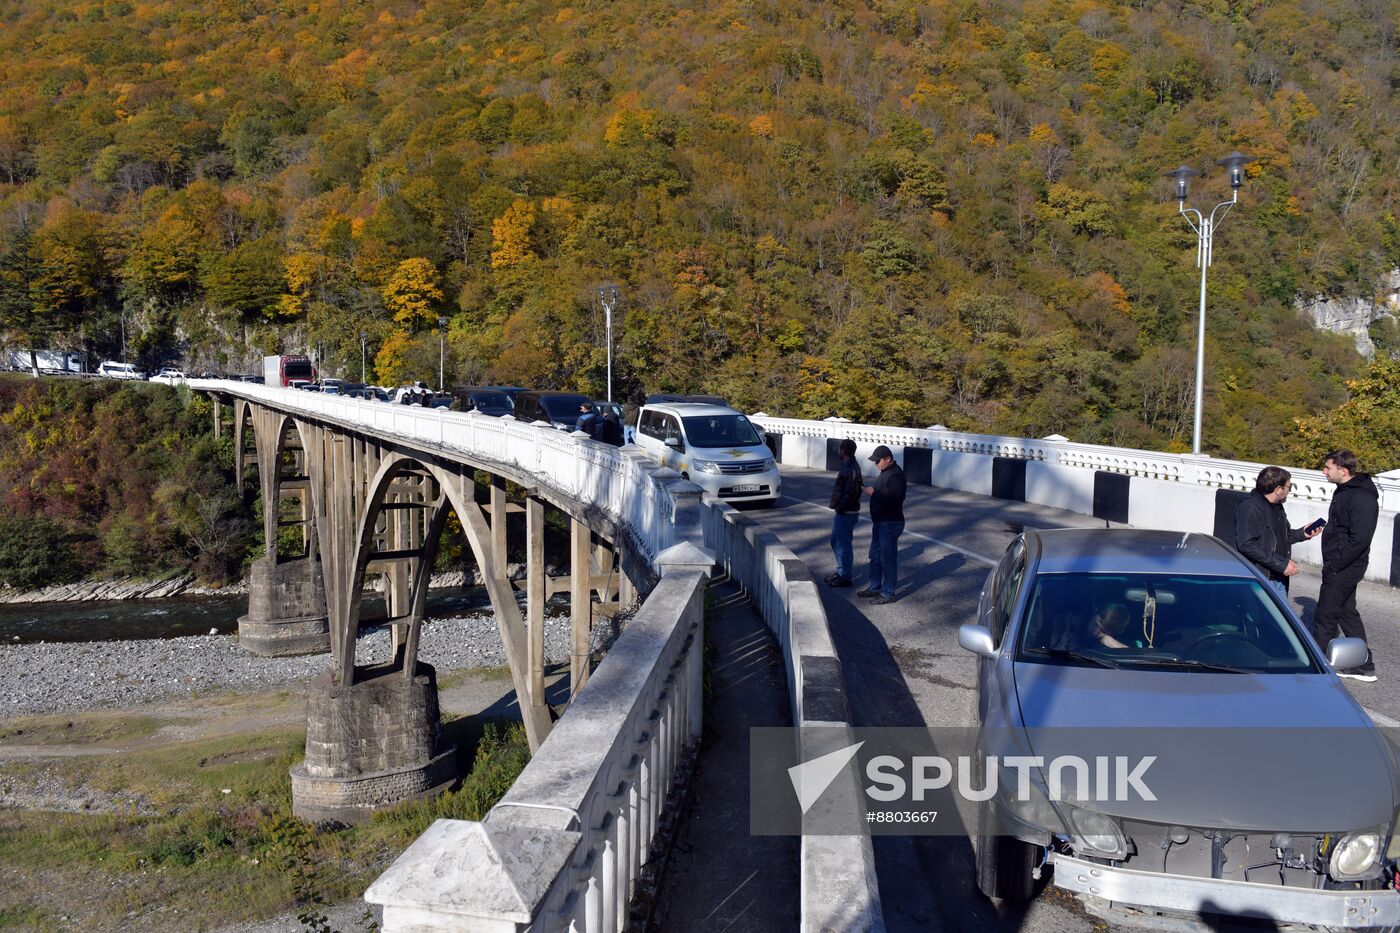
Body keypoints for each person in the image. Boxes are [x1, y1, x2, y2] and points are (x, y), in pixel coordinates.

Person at [1316, 449, 1380, 681]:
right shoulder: (1344, 490)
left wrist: (1336, 563)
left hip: (1344, 565)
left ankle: (1317, 666)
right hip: (1339, 562)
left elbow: (1360, 538)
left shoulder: (1362, 497)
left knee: (1325, 615)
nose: (1324, 471)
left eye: (1328, 467)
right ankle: (1364, 664)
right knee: (1346, 613)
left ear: (1343, 470)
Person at [1234, 466, 1320, 601]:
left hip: (1279, 577)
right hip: (1263, 579)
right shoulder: (1250, 507)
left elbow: (1280, 537)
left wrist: (1302, 533)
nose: (1289, 491)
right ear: (1278, 490)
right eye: (1289, 487)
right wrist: (1281, 564)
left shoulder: (1277, 507)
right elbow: (1247, 544)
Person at [857, 445, 906, 604]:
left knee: (888, 559)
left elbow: (895, 500)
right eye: (875, 461)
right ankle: (875, 587)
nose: (876, 463)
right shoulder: (886, 472)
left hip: (890, 522)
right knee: (875, 556)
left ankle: (888, 593)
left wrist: (874, 493)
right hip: (880, 522)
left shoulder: (896, 476)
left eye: (878, 461)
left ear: (888, 459)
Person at [826, 439, 862, 588]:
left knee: (843, 544)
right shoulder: (849, 465)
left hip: (847, 511)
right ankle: (841, 571)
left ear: (844, 451)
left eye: (840, 449)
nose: (838, 452)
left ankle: (845, 576)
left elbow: (850, 492)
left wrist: (840, 507)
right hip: (843, 510)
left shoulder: (851, 468)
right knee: (836, 542)